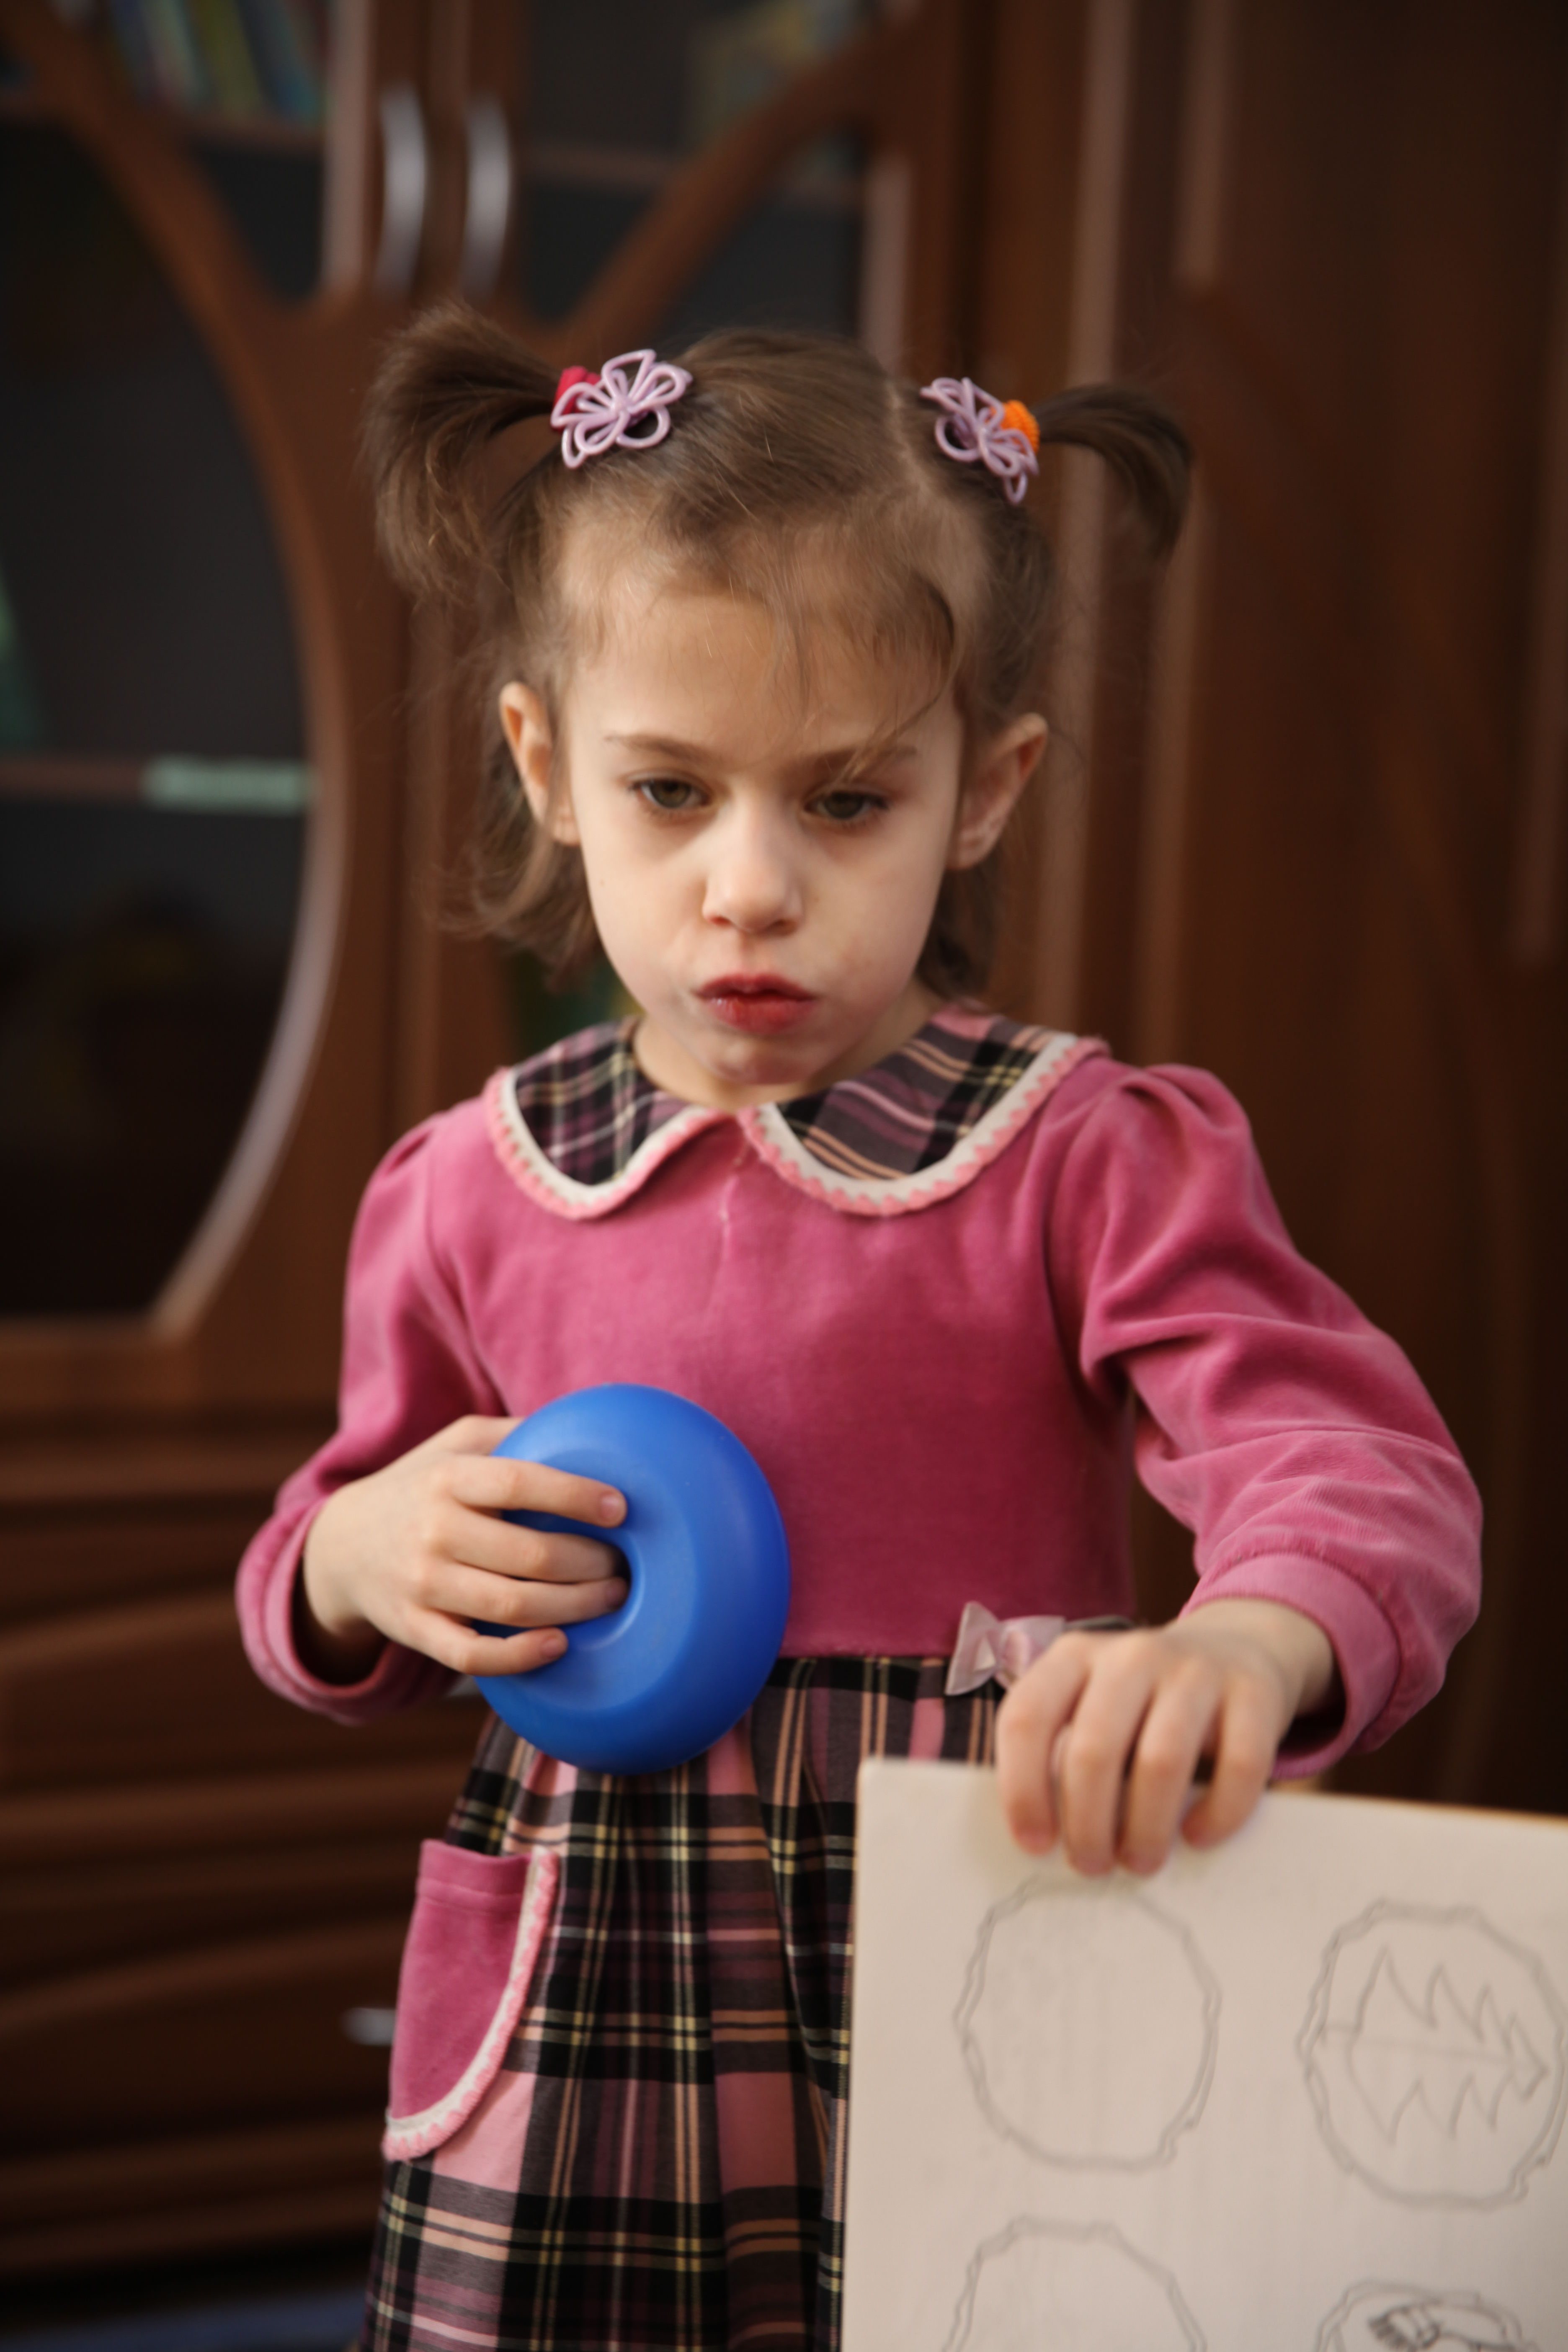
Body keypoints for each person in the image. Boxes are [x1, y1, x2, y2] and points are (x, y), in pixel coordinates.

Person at [236, 313, 1481, 2352]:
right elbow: (321, 1542)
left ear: (981, 793)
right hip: (589, 2001)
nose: (750, 887)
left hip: (983, 1950)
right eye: (670, 790)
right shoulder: (469, 1188)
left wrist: (1254, 1640)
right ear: (547, 766)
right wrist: (362, 1560)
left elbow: (1357, 1473)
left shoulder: (1085, 1156)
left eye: (844, 801)